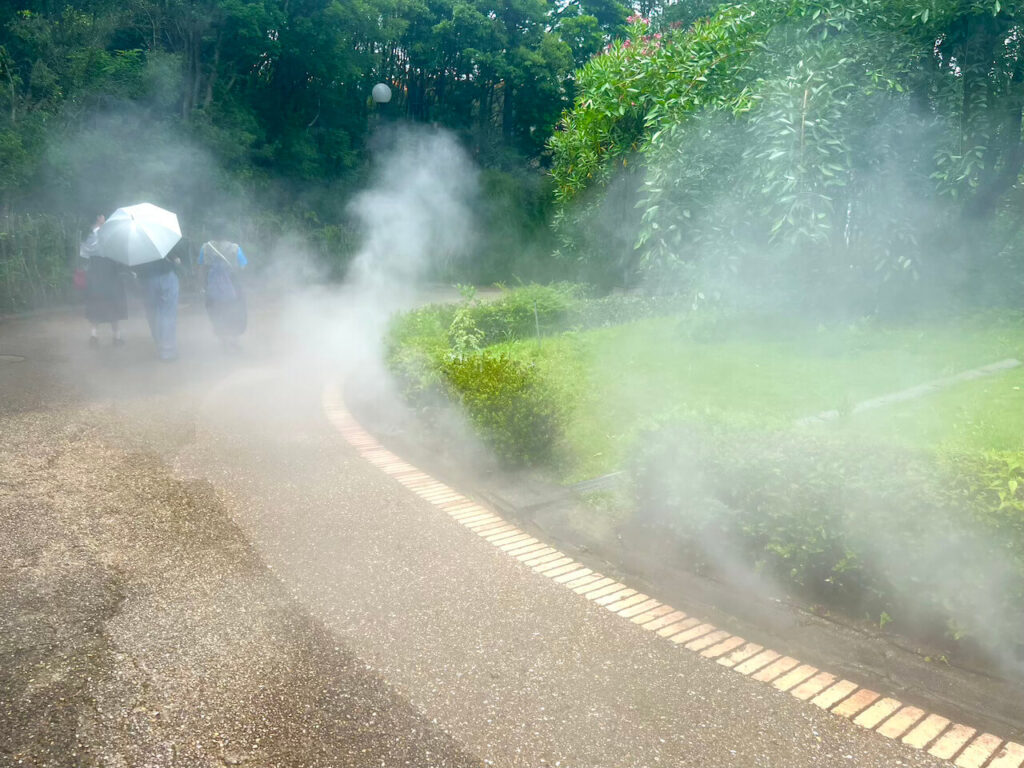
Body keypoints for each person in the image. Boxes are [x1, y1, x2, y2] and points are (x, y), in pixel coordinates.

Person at [79, 214, 127, 347]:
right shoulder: (109, 235)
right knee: (114, 304)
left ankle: (94, 335)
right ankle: (117, 338)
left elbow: (84, 256)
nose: (105, 219)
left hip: (94, 276)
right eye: (104, 217)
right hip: (110, 274)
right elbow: (118, 255)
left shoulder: (88, 236)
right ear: (99, 217)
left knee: (95, 304)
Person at [198, 236, 248, 349]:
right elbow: (243, 267)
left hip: (212, 288)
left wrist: (202, 286)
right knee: (235, 313)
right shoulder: (235, 248)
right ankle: (234, 341)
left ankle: (223, 341)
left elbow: (201, 268)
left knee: (216, 313)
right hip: (233, 288)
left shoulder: (205, 248)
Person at [134, 254, 180, 361]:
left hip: (147, 279)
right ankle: (168, 350)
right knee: (168, 313)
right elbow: (175, 257)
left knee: (152, 314)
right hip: (167, 275)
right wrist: (175, 259)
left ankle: (160, 345)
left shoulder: (133, 244)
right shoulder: (159, 239)